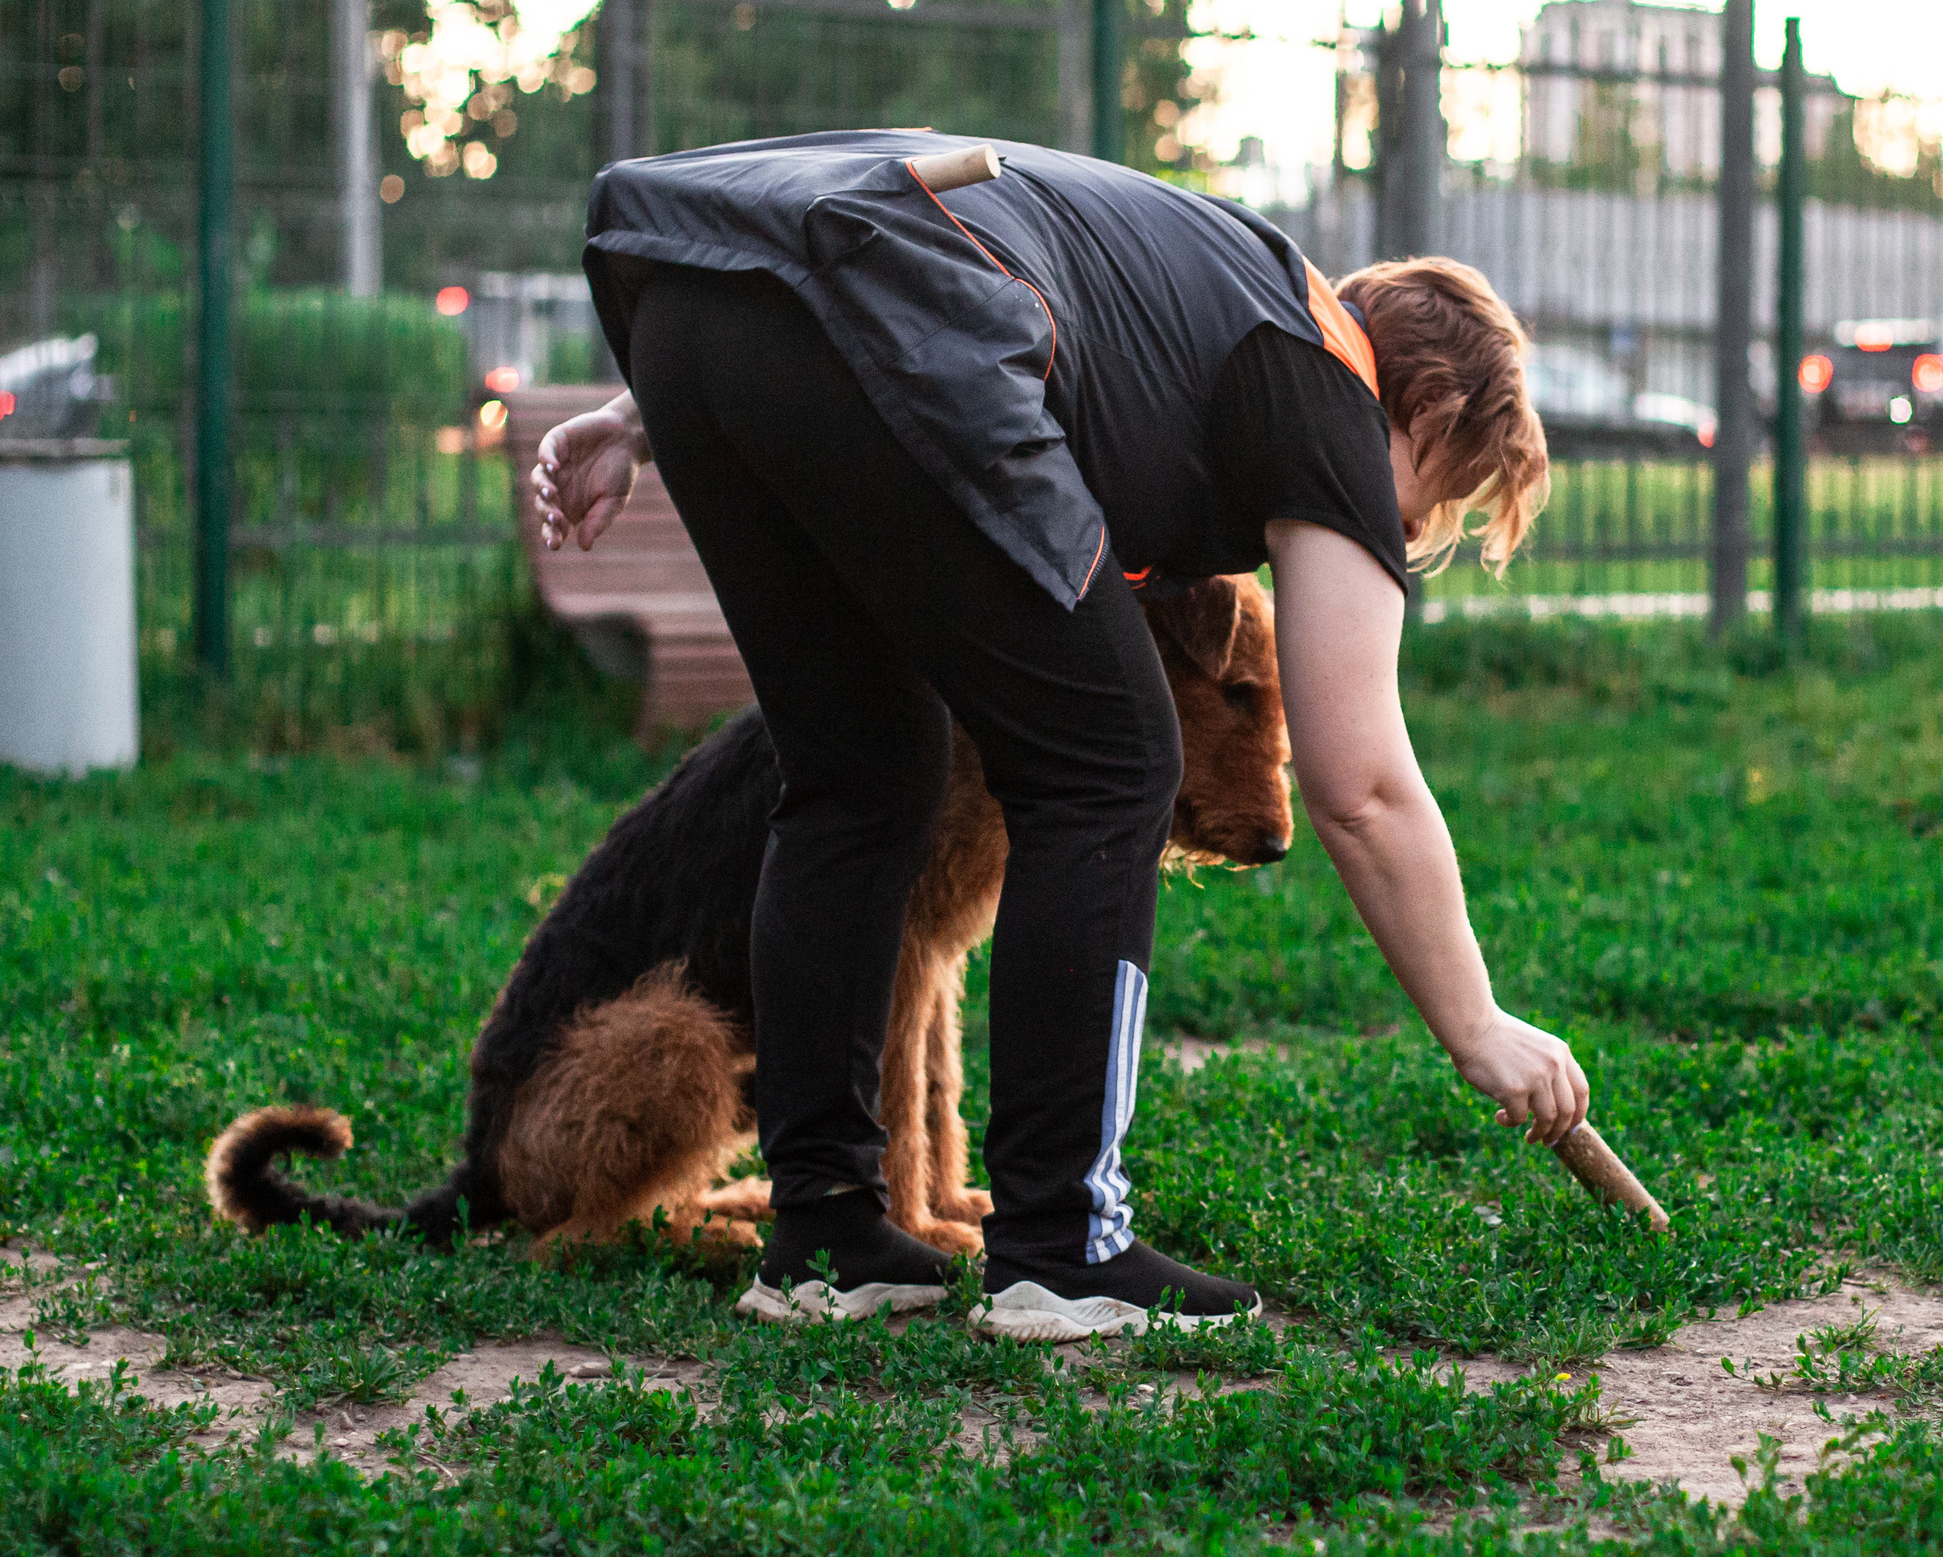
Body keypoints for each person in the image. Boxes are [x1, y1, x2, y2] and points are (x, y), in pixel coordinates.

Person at [534, 131, 1586, 1340]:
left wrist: (639, 415)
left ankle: (827, 1236)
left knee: (859, 773)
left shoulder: (1207, 296)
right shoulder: (1325, 378)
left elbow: (870, 251)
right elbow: (1363, 788)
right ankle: (1064, 1250)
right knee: (1111, 763)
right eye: (1433, 499)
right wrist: (1477, 1024)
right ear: (1429, 409)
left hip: (700, 303)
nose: (1400, 534)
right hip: (862, 321)